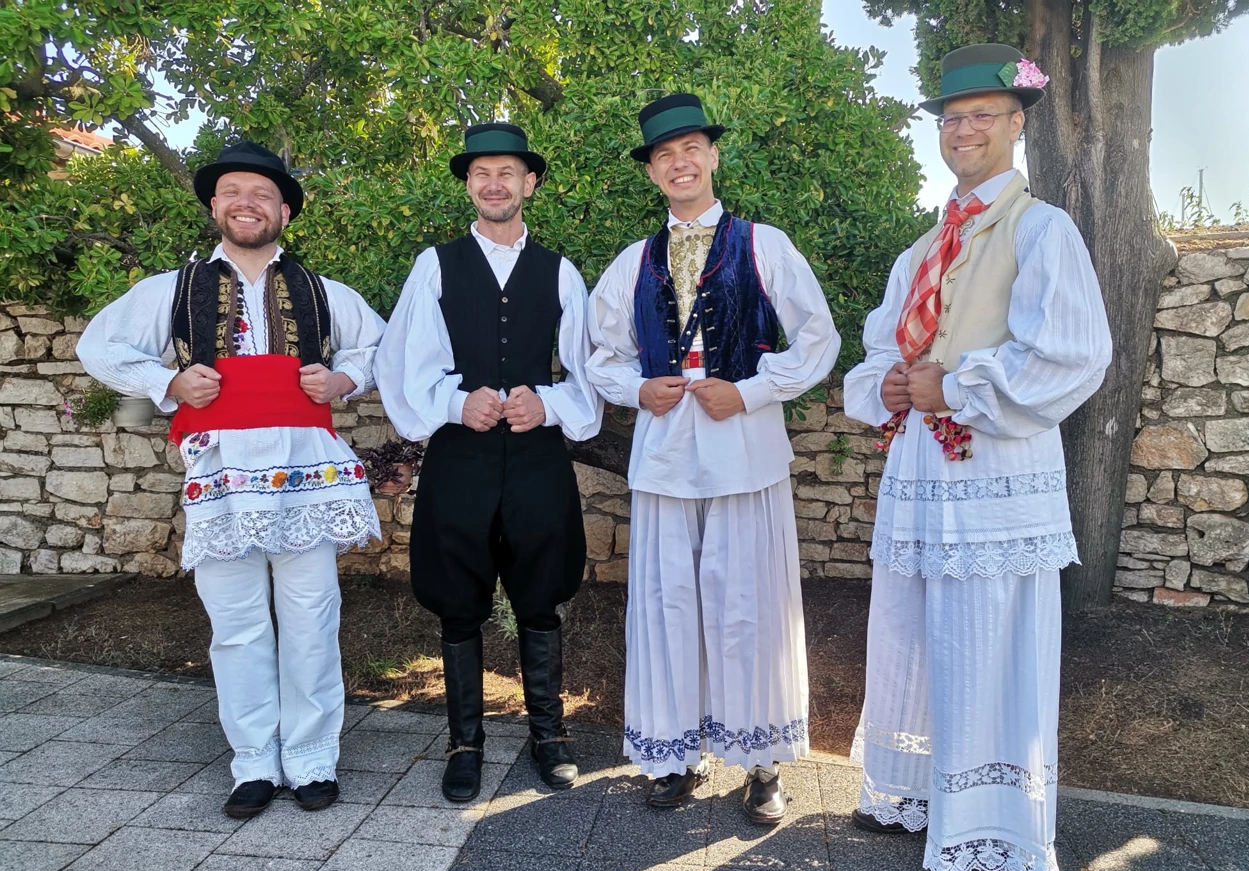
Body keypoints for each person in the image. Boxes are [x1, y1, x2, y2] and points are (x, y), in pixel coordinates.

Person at [842, 43, 1112, 871]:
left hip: (997, 466)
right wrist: (886, 380)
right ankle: (919, 792)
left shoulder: (1043, 230)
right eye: (953, 118)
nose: (965, 130)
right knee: (920, 625)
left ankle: (998, 841)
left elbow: (1071, 356)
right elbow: (886, 339)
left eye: (982, 116)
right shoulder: (926, 243)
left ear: (1015, 125)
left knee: (993, 645)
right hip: (925, 465)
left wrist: (954, 385)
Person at [78, 141, 386, 819]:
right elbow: (98, 345)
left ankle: (310, 759)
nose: (248, 204)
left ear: (284, 211)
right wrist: (167, 380)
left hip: (305, 471)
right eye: (234, 193)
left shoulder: (322, 291)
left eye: (263, 195)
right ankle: (253, 761)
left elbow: (382, 347)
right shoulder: (174, 289)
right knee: (237, 623)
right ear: (215, 206)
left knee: (310, 618)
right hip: (220, 476)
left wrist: (343, 378)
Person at [587, 93, 840, 824]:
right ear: (653, 173)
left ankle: (760, 762)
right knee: (669, 606)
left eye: (691, 147)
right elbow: (596, 355)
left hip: (742, 450)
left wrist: (756, 391)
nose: (679, 162)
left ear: (713, 156)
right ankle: (675, 751)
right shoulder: (632, 261)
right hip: (666, 453)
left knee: (747, 605)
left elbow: (817, 340)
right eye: (665, 154)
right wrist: (637, 387)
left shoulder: (766, 245)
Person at [376, 123, 602, 802]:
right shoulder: (435, 265)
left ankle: (549, 736)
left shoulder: (561, 271)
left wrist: (552, 406)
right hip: (462, 457)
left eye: (507, 172)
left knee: (540, 601)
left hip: (535, 458)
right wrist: (451, 402)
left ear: (529, 183)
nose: (494, 184)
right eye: (481, 174)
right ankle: (464, 743)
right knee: (458, 605)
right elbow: (401, 363)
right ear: (469, 185)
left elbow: (590, 373)